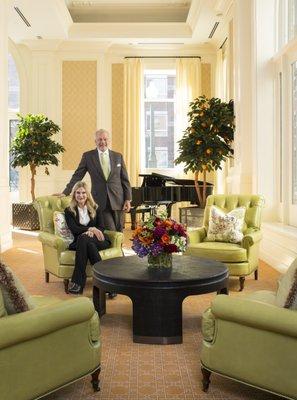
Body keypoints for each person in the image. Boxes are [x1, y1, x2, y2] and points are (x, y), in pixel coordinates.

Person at [62, 129, 132, 232]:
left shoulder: (118, 156)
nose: (102, 142)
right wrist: (65, 192)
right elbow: (77, 175)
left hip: (118, 199)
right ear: (95, 141)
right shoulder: (88, 156)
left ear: (109, 140)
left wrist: (128, 199)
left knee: (119, 231)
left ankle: (118, 249)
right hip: (100, 201)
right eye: (99, 139)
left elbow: (125, 179)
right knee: (111, 230)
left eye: (105, 139)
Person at [65, 181, 111, 294]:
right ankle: (107, 284)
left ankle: (77, 283)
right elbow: (74, 229)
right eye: (78, 193)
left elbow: (101, 227)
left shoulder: (96, 208)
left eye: (83, 193)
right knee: (86, 242)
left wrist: (94, 231)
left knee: (84, 239)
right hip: (82, 242)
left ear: (87, 194)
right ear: (74, 194)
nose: (81, 195)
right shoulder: (69, 211)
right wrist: (90, 229)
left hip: (99, 239)